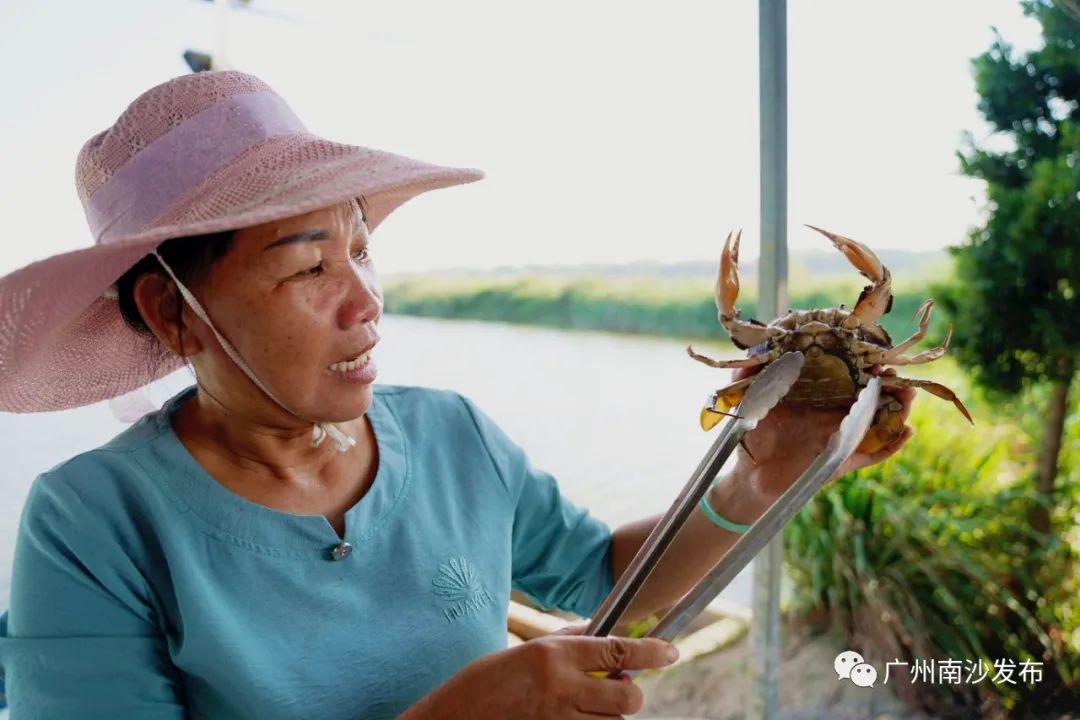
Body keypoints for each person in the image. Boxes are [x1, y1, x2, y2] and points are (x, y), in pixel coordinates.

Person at [0, 70, 914, 719]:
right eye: (310, 265)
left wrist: (757, 485)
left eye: (362, 250)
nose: (364, 301)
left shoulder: (451, 435)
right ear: (173, 311)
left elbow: (604, 579)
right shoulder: (91, 524)